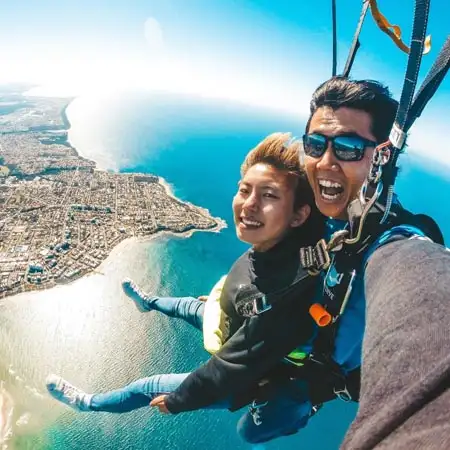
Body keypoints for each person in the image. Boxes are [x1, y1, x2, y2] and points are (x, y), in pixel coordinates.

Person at [45, 133, 327, 435]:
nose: (249, 204)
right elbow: (250, 280)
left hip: (245, 378)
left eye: (269, 195)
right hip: (235, 322)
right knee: (184, 305)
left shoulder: (283, 296)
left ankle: (88, 403)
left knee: (146, 387)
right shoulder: (278, 247)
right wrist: (228, 303)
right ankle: (148, 303)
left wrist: (180, 400)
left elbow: (227, 369)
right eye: (244, 190)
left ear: (299, 216)